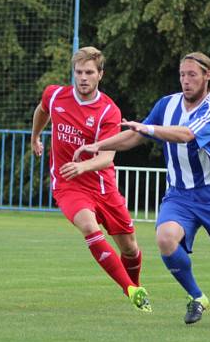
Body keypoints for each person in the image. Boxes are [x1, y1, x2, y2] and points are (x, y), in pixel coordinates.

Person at [74, 52, 210, 329]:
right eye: (182, 74)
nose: (186, 80)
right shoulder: (167, 104)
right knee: (165, 239)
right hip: (180, 194)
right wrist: (100, 145)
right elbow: (135, 134)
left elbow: (186, 134)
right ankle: (197, 296)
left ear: (207, 77)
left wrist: (149, 128)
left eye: (192, 74)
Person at [31, 46, 150, 312]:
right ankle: (129, 289)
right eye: (78, 72)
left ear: (100, 75)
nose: (82, 77)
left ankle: (136, 286)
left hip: (102, 185)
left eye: (89, 72)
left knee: (130, 248)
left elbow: (107, 157)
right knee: (88, 226)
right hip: (68, 184)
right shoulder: (55, 95)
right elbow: (42, 110)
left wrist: (83, 167)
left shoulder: (109, 111)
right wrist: (35, 136)